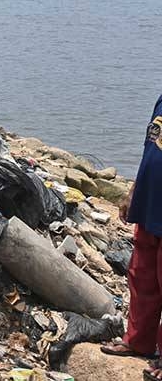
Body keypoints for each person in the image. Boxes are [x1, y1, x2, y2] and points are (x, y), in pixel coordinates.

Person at [102, 95, 162, 376]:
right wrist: (132, 192)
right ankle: (138, 342)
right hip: (150, 202)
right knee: (141, 275)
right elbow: (149, 149)